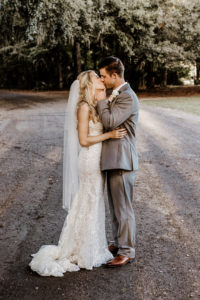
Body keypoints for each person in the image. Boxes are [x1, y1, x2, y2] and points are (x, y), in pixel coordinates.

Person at [29, 70, 127, 276]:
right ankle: (82, 250)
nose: (101, 79)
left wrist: (107, 97)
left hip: (98, 158)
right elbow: (83, 140)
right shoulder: (83, 107)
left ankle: (90, 245)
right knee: (89, 201)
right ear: (88, 84)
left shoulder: (94, 103)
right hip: (90, 159)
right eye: (96, 77)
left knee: (93, 202)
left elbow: (111, 103)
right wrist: (109, 134)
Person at [96, 56, 139, 267]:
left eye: (103, 76)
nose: (101, 80)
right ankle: (117, 242)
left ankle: (127, 250)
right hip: (114, 158)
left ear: (114, 75)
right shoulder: (118, 94)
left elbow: (110, 121)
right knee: (115, 208)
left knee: (123, 209)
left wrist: (101, 100)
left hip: (122, 159)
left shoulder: (127, 97)